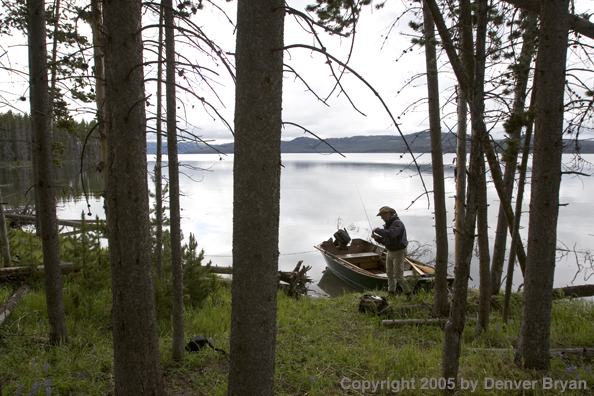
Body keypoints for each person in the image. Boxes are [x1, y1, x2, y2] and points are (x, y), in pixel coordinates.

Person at [371, 206, 412, 299]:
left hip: (399, 252)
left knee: (398, 275)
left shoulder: (397, 224)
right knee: (389, 273)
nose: (381, 218)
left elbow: (390, 234)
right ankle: (391, 293)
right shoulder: (389, 224)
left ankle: (408, 294)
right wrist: (377, 238)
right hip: (390, 251)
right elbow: (387, 240)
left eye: (382, 215)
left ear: (387, 214)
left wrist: (376, 230)